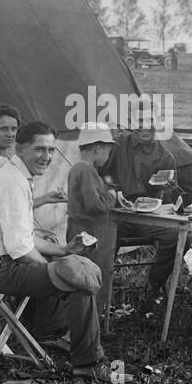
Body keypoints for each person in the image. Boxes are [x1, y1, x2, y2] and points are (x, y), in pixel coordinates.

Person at [0, 120, 106, 380]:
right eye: (40, 150)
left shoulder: (17, 177)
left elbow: (26, 237)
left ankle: (46, 333)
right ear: (20, 148)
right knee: (77, 279)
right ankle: (88, 364)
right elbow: (20, 250)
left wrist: (63, 250)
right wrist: (58, 269)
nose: (47, 157)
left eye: (51, 150)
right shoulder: (11, 183)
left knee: (65, 263)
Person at [102, 106, 183, 311]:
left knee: (176, 236)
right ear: (131, 124)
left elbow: (167, 201)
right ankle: (99, 292)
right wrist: (114, 191)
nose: (144, 126)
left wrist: (168, 191)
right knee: (99, 233)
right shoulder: (119, 144)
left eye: (149, 121)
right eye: (139, 121)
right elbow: (102, 174)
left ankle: (152, 289)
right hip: (117, 214)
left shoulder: (166, 157)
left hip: (148, 217)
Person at [67, 123, 119, 323]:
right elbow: (95, 204)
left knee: (84, 278)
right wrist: (112, 195)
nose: (107, 154)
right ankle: (88, 326)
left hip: (84, 231)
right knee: (92, 278)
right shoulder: (85, 170)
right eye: (107, 149)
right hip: (90, 235)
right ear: (98, 147)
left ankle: (85, 324)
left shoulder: (80, 169)